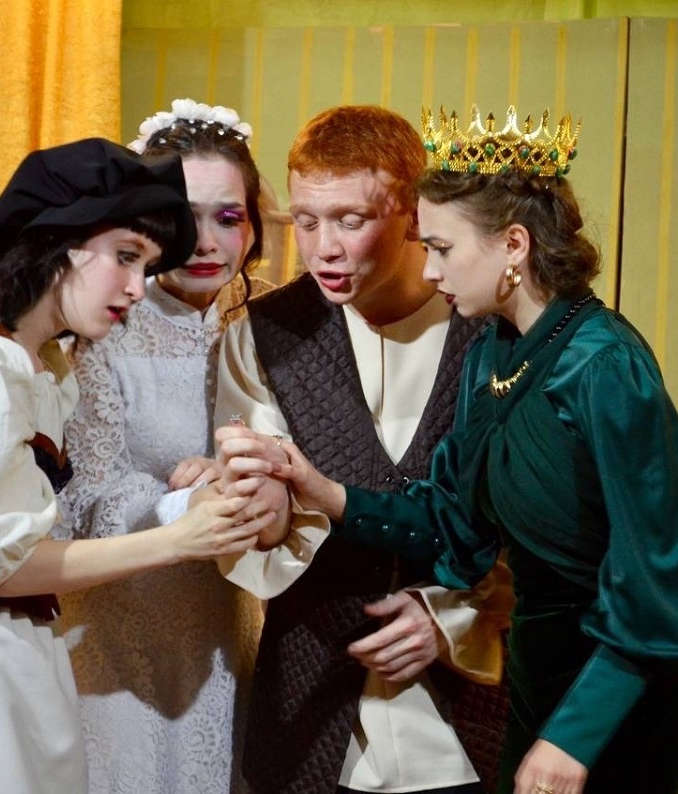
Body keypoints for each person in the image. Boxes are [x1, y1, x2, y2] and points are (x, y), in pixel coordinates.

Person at [223, 106, 678, 794]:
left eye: (441, 248)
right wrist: (325, 494)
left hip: (610, 702)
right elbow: (451, 521)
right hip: (535, 690)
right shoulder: (495, 354)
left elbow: (658, 591)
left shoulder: (605, 367)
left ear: (513, 246)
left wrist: (571, 741)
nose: (429, 268)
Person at [0, 138, 276, 794]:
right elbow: (5, 568)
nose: (136, 288)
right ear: (60, 243)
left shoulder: (37, 359)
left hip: (1, 645)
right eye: (125, 257)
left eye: (145, 266)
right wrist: (178, 538)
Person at [212, 105, 512, 794]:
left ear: (412, 214)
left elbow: (546, 527)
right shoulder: (260, 336)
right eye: (306, 220)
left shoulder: (494, 330)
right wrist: (245, 503)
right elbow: (261, 538)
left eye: (351, 220)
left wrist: (456, 619)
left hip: (470, 725)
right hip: (310, 720)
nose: (323, 247)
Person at [53, 99, 273, 794]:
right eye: (182, 217)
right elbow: (82, 501)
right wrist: (186, 504)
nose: (205, 242)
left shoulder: (271, 322)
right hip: (120, 632)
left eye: (228, 218)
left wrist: (258, 471)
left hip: (227, 628)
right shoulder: (104, 325)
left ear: (253, 225)